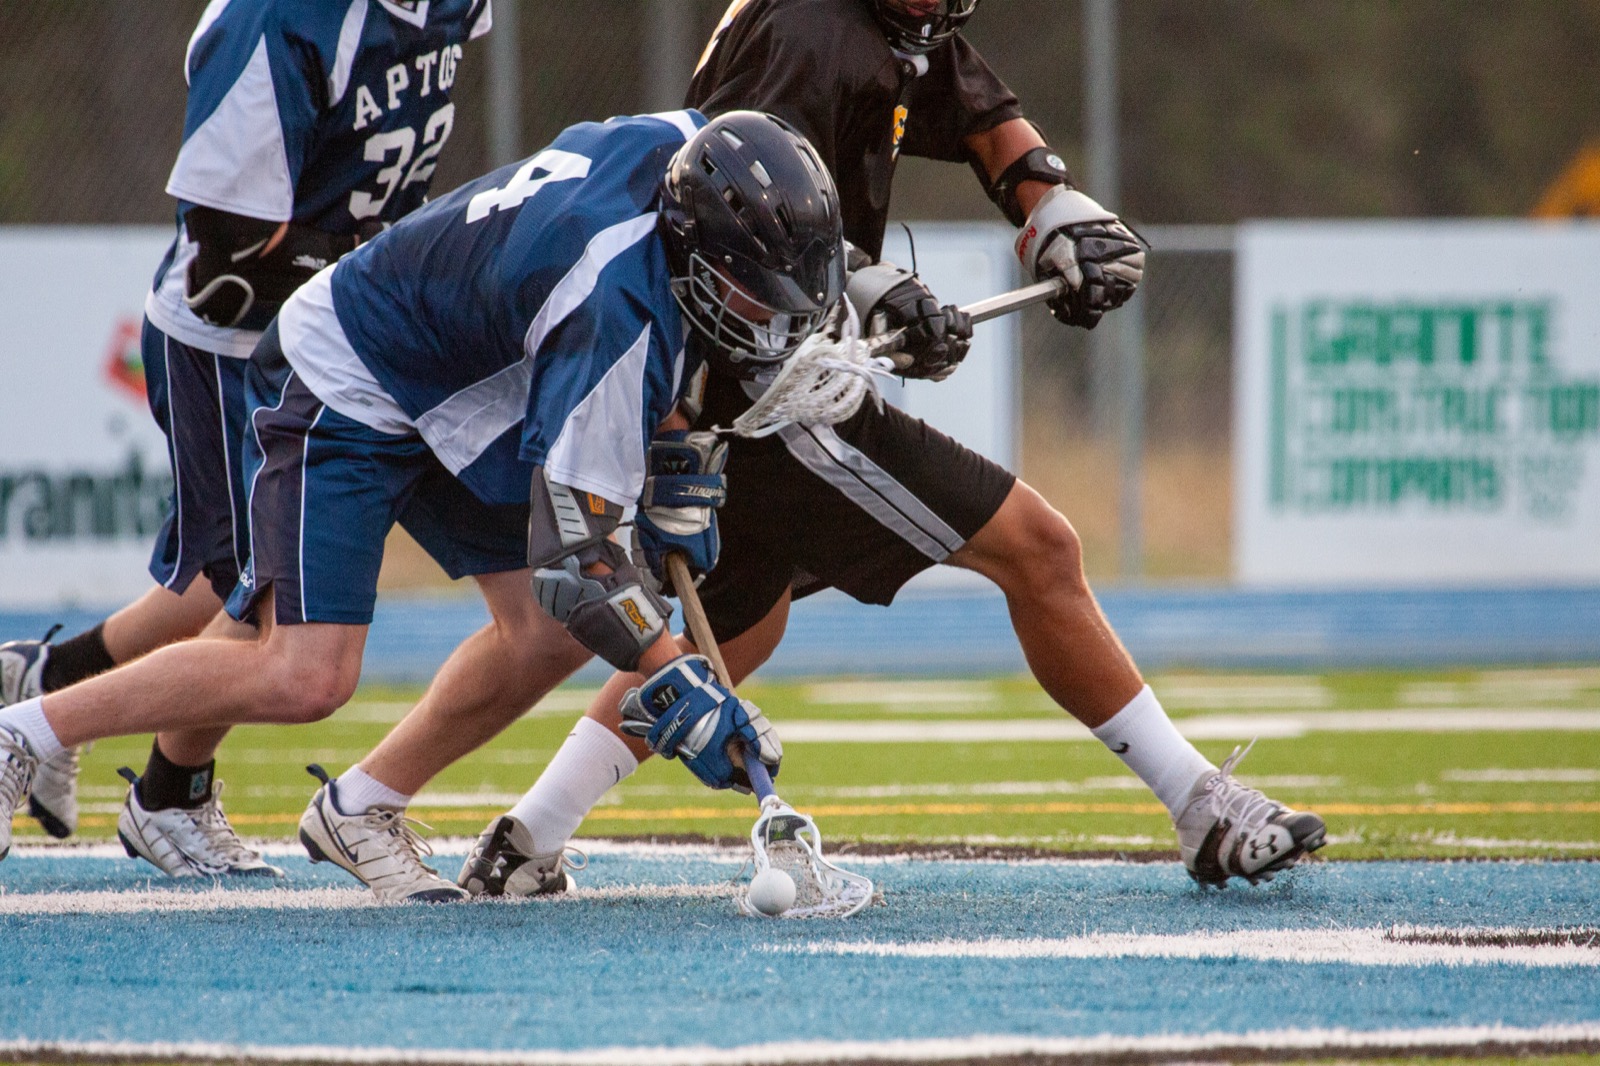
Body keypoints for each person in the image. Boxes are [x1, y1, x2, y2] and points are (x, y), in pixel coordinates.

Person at [449, 0, 1325, 895]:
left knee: (744, 622)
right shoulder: (805, 31)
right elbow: (741, 228)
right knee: (1038, 549)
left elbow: (982, 116)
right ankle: (1202, 809)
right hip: (768, 395)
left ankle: (526, 839)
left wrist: (1051, 208)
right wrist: (872, 293)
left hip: (758, 380)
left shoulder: (886, 24)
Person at [0, 108, 843, 900]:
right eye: (754, 296)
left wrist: (674, 432)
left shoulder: (689, 146)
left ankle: (360, 805)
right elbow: (579, 563)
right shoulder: (610, 302)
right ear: (694, 247)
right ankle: (25, 733)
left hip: (461, 378)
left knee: (542, 636)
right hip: (352, 369)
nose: (772, 324)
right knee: (306, 672)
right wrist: (677, 681)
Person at [0, 0, 491, 876]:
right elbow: (223, 254)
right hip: (235, 338)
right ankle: (164, 794)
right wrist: (374, 273)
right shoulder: (281, 18)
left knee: (222, 588)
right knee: (258, 597)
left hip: (360, 335)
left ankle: (45, 679)